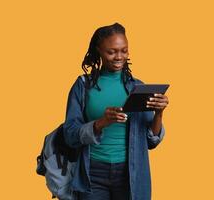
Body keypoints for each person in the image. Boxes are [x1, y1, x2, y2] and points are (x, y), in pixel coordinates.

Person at [62, 23, 169, 200]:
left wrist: (159, 113)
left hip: (130, 173)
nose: (119, 57)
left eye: (124, 51)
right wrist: (101, 123)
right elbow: (70, 135)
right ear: (98, 51)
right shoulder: (83, 86)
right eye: (111, 52)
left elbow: (151, 141)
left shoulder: (138, 87)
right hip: (92, 172)